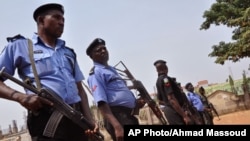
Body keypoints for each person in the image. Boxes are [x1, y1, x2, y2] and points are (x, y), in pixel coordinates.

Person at [0, 3, 98, 141]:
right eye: (57, 17)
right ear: (41, 20)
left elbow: (80, 89)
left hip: (77, 118)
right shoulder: (20, 46)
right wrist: (21, 97)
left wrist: (89, 119)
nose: (62, 22)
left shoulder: (68, 53)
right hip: (45, 118)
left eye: (63, 19)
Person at [86, 38, 143, 141]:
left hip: (128, 116)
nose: (103, 51)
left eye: (104, 48)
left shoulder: (112, 69)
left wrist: (136, 103)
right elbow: (101, 102)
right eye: (98, 50)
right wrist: (117, 127)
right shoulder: (96, 73)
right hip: (118, 117)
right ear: (92, 56)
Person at [153, 60, 192, 125]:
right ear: (166, 68)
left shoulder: (158, 81)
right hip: (174, 110)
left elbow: (160, 100)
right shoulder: (166, 79)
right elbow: (171, 98)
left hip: (169, 110)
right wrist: (184, 115)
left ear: (157, 70)